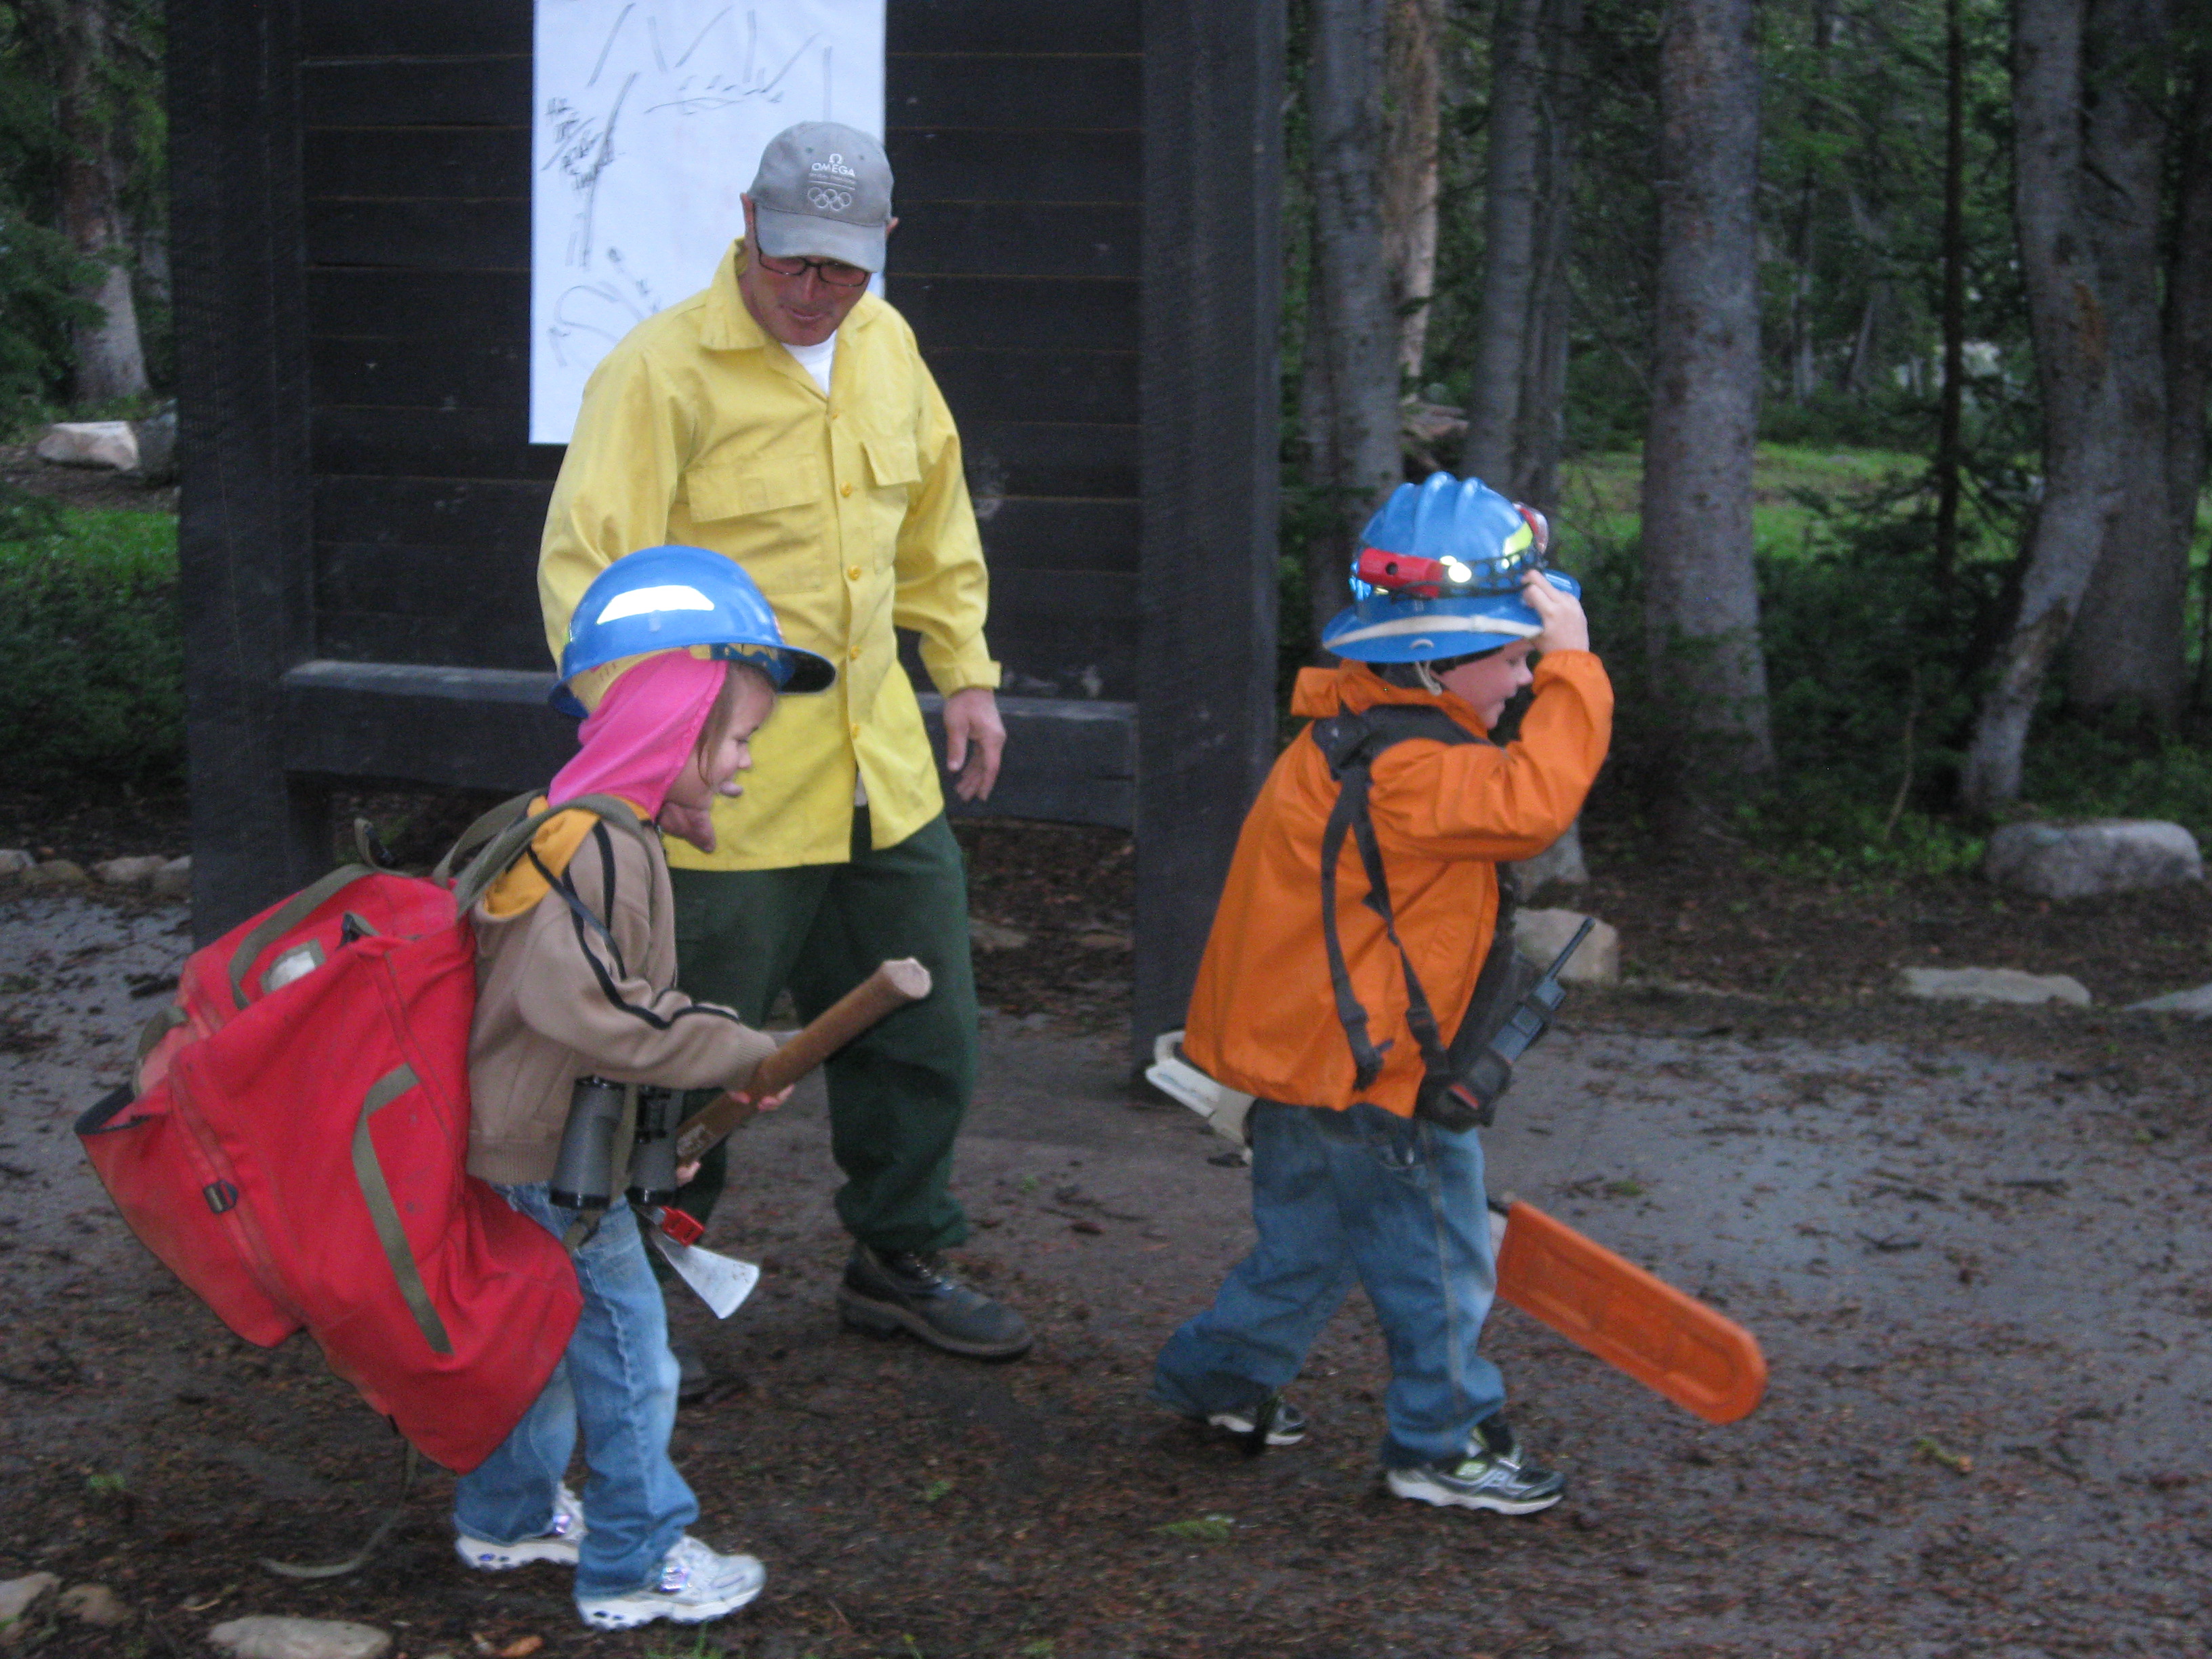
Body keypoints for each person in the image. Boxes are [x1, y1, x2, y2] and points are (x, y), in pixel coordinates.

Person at [537, 120, 1029, 1364]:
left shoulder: (888, 346)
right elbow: (589, 583)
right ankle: (638, 1282)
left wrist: (964, 672)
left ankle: (900, 1256)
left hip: (883, 779)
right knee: (692, 1055)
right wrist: (657, 756)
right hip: (729, 794)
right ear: (746, 220)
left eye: (842, 269)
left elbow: (935, 515)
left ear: (883, 253)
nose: (812, 292)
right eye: (793, 261)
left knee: (929, 1031)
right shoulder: (658, 375)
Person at [1149, 472, 1614, 1515]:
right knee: (1439, 1263)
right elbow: (1537, 802)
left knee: (1309, 1247)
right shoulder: (1414, 772)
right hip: (1376, 1073)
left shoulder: (1354, 730)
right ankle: (1441, 1442)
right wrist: (1579, 666)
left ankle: (1216, 1382)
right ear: (1435, 664)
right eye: (1511, 658)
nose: (1525, 679)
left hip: (1307, 1064)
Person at [452, 548, 834, 1630]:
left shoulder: (569, 825)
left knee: (550, 1347)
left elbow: (601, 1030)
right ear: (674, 722)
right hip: (550, 1168)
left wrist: (674, 1120)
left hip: (533, 1150)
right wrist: (734, 1047)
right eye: (739, 737)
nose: (745, 764)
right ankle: (634, 1563)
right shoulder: (598, 848)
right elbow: (592, 1013)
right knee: (633, 1362)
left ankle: (509, 1514)